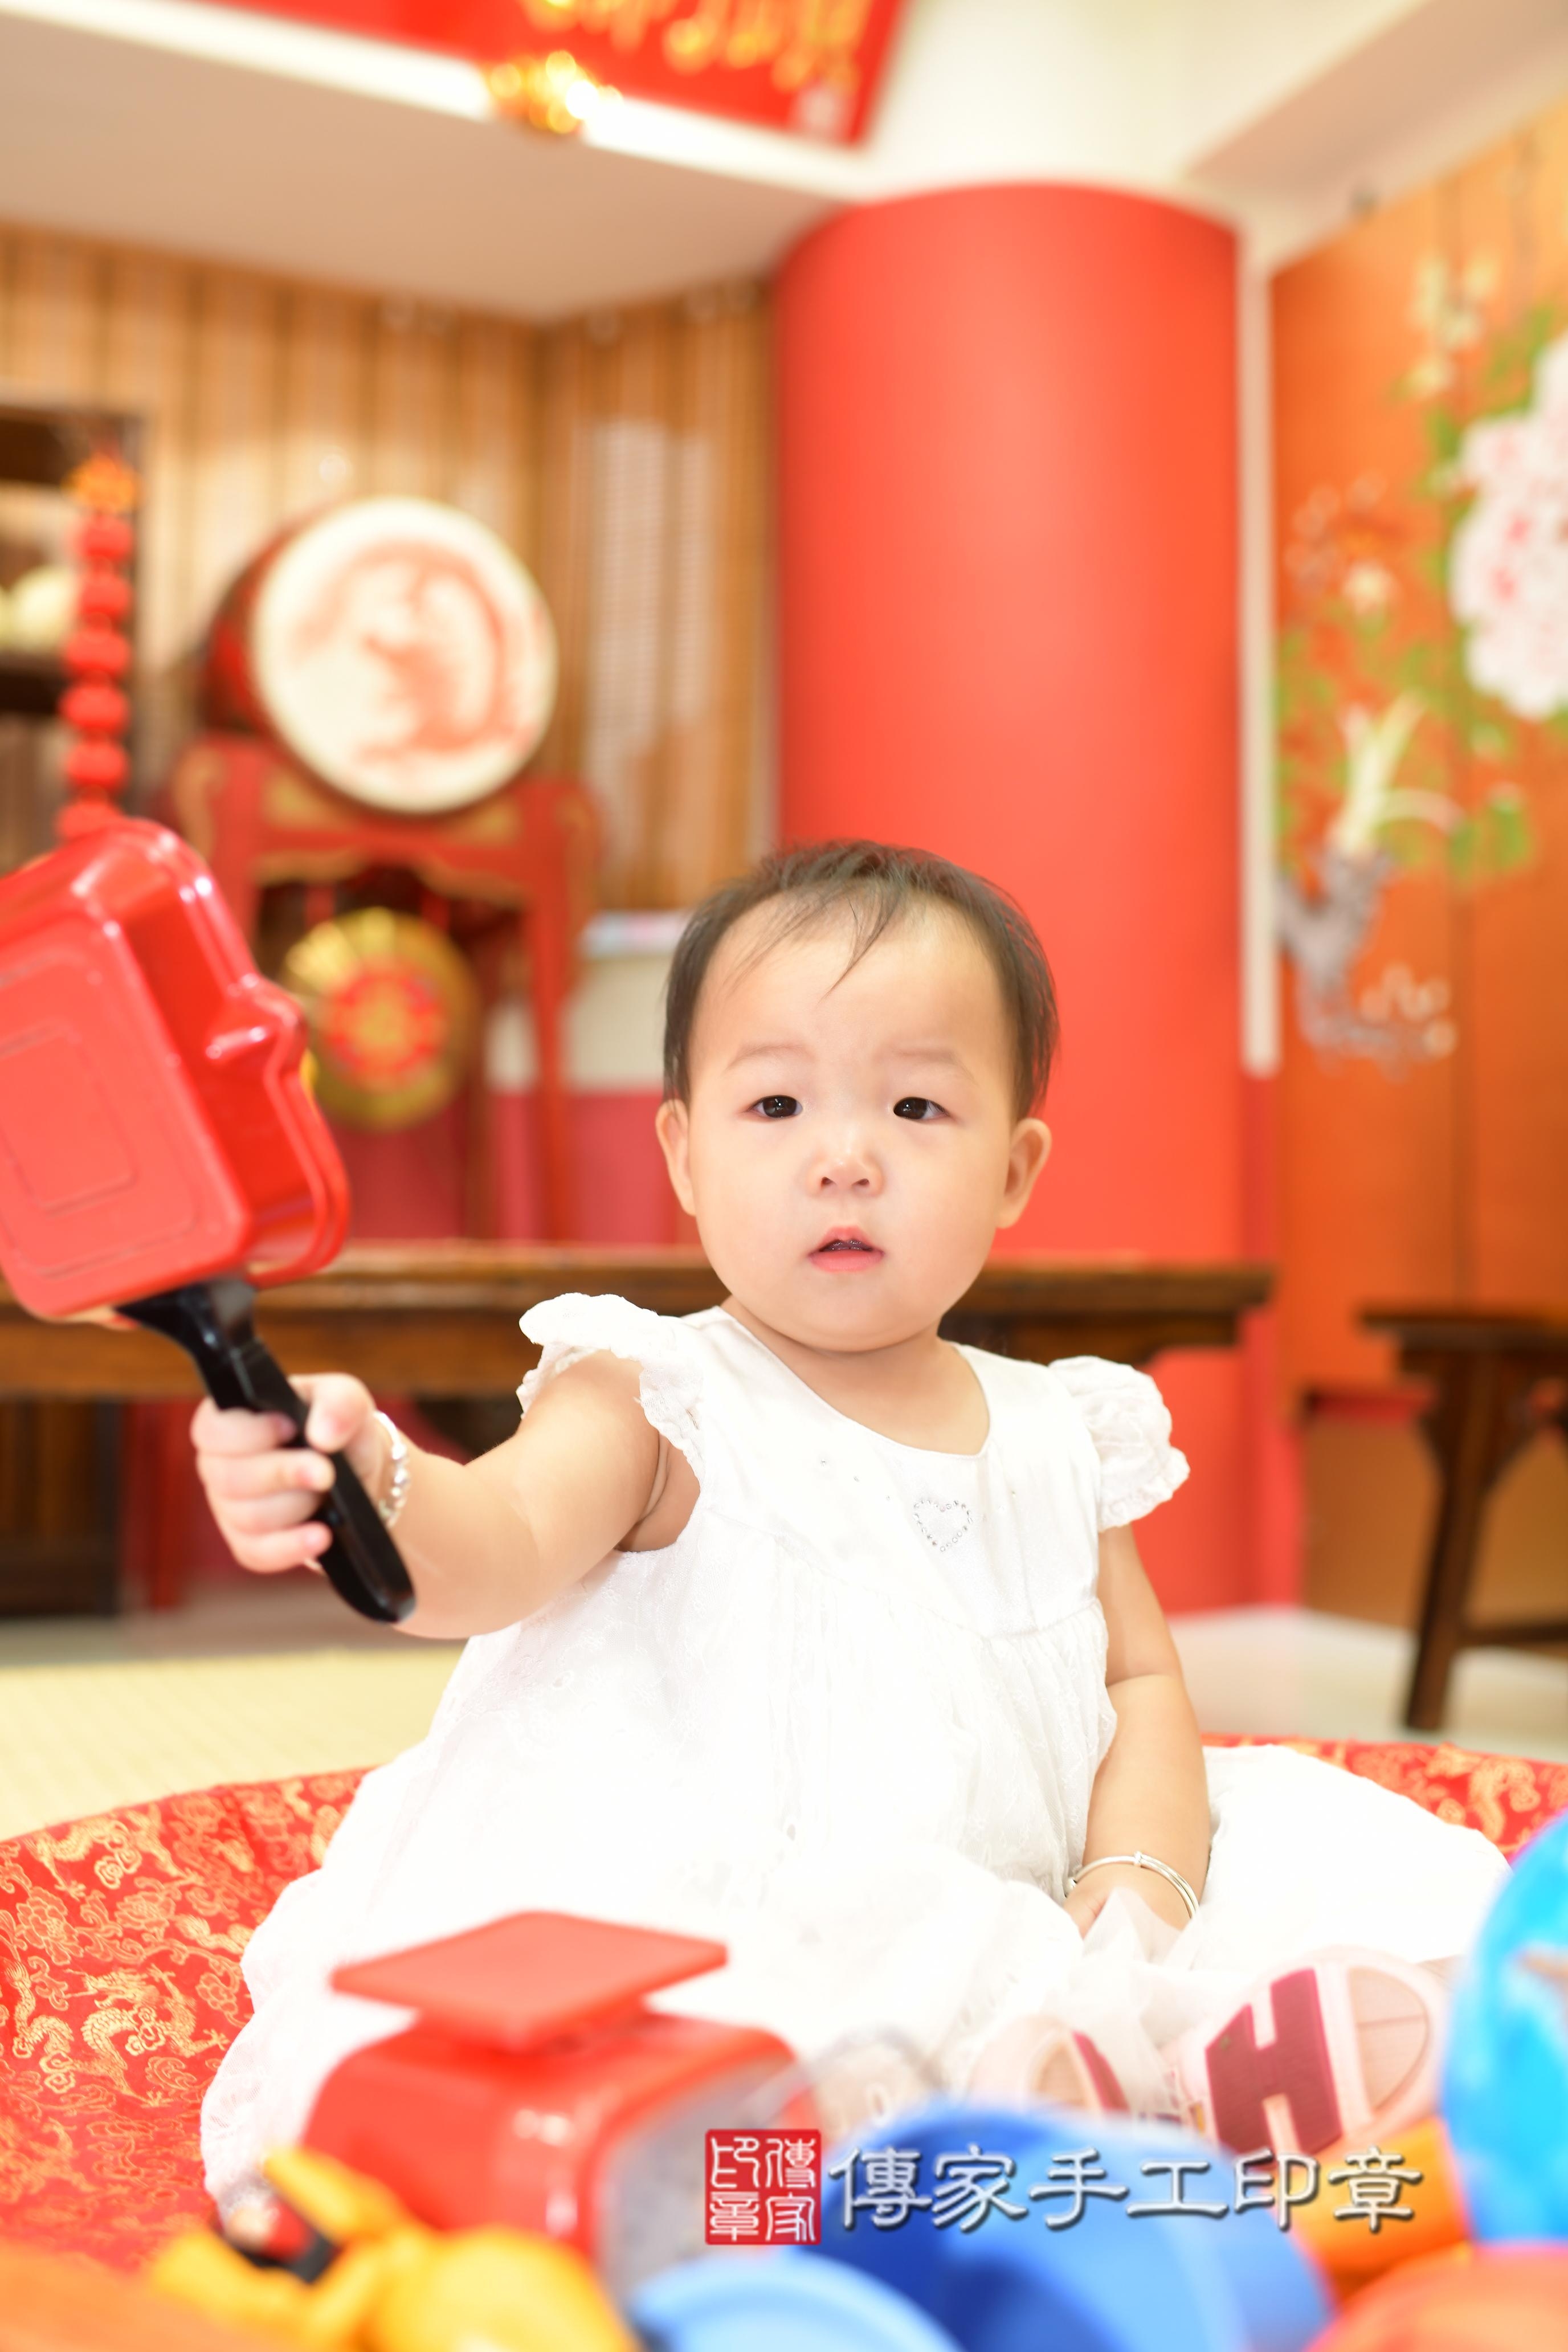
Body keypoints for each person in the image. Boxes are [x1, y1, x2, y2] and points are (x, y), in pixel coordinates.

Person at [194, 841, 1508, 2206]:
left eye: (917, 1109)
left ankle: (1191, 2066)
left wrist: (1137, 1893)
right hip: (723, 1910)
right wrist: (368, 1483)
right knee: (798, 2017)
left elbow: (1136, 1682)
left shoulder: (1057, 1430)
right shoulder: (655, 1394)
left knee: (1341, 1864)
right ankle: (987, 2124)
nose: (844, 1159)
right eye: (774, 1103)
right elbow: (495, 1538)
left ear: (1012, 1169)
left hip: (1042, 1890)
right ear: (683, 1152)